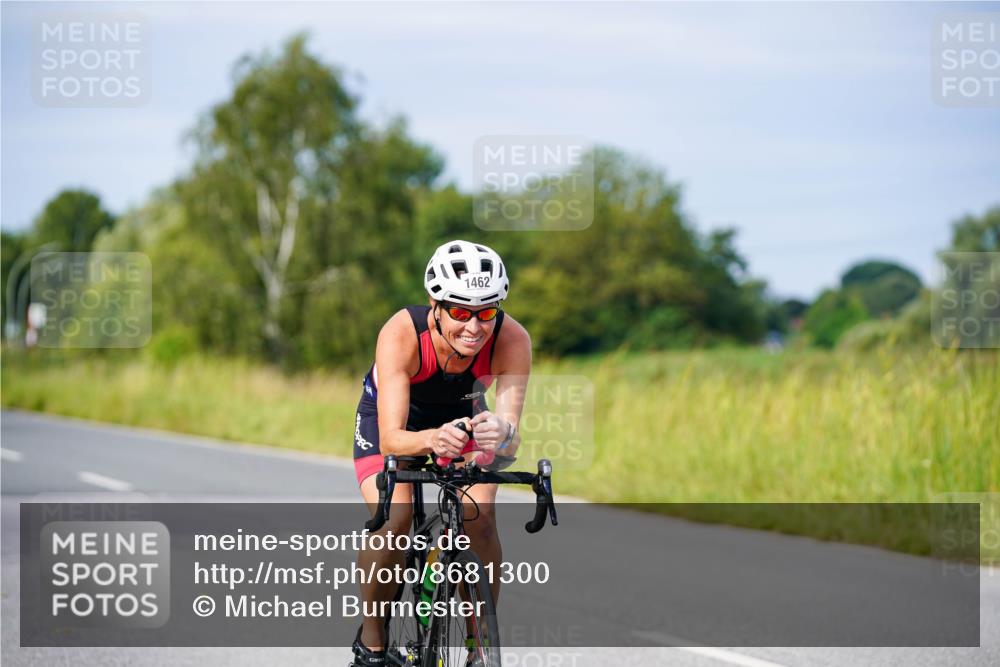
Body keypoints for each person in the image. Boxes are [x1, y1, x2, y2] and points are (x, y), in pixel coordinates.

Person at [351, 240, 532, 666]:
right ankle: (373, 639)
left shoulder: (513, 339)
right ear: (435, 303)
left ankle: (477, 647)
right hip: (393, 421)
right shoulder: (402, 332)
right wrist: (431, 439)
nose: (474, 327)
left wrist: (501, 433)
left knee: (481, 520)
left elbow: (511, 437)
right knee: (397, 521)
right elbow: (392, 439)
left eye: (487, 312)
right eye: (461, 311)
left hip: (464, 418)